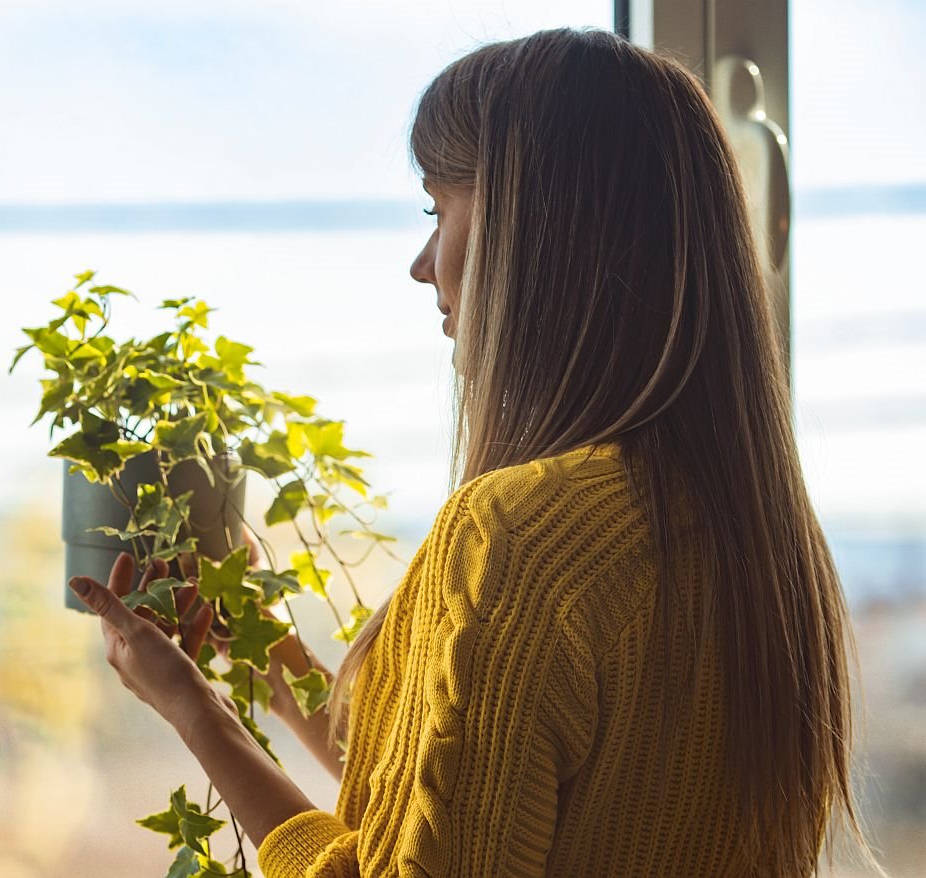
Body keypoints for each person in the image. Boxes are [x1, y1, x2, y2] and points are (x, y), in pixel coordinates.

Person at [68, 27, 888, 877]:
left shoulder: (523, 537)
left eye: (438, 210)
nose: (422, 265)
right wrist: (264, 648)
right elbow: (460, 801)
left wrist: (192, 711)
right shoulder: (761, 542)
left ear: (533, 233)